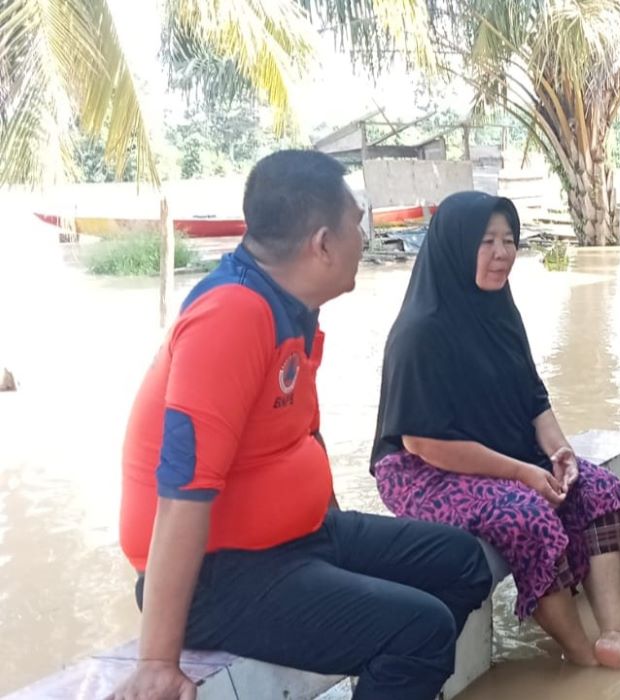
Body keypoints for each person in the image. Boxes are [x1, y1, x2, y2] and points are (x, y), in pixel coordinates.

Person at [112, 151, 493, 700]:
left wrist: (320, 515)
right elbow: (182, 493)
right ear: (322, 244)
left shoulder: (291, 307)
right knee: (421, 629)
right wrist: (156, 661)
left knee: (461, 562)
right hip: (220, 576)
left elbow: (298, 436)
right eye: (356, 226)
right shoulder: (232, 317)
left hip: (302, 538)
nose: (363, 239)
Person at [370, 191, 620, 675]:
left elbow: (533, 399)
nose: (502, 253)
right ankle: (582, 656)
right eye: (486, 242)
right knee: (528, 517)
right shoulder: (419, 332)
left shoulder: (502, 311)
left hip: (502, 449)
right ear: (455, 247)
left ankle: (619, 636)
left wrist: (560, 451)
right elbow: (424, 442)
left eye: (508, 240)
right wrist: (523, 473)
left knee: (598, 489)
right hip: (422, 469)